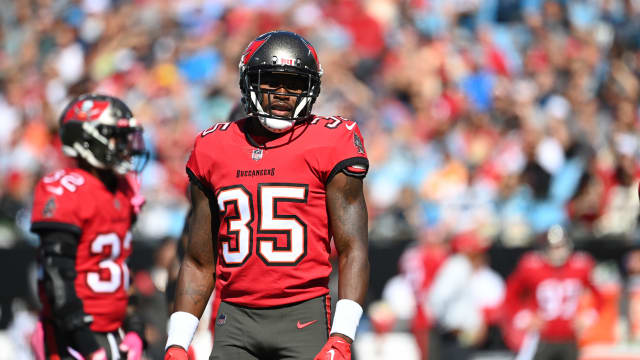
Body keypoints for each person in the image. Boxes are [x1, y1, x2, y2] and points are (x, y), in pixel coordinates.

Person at [164, 30, 370, 360]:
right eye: (272, 80)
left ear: (311, 89)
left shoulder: (332, 141)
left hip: (304, 315)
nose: (282, 93)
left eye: (294, 84)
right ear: (249, 82)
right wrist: (176, 342)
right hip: (234, 319)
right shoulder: (213, 146)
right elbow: (199, 260)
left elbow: (352, 248)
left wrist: (343, 336)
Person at [31, 94, 149, 360]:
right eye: (116, 137)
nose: (125, 146)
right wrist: (84, 342)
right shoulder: (65, 189)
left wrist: (135, 328)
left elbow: (121, 267)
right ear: (87, 138)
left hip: (113, 332)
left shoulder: (123, 189)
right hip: (71, 334)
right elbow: (56, 274)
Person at [503, 225, 601, 360]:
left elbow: (599, 293)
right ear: (545, 248)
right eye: (553, 247)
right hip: (541, 336)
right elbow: (510, 295)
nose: (557, 252)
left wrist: (588, 316)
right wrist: (524, 317)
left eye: (561, 246)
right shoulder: (531, 266)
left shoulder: (581, 266)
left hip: (570, 337)